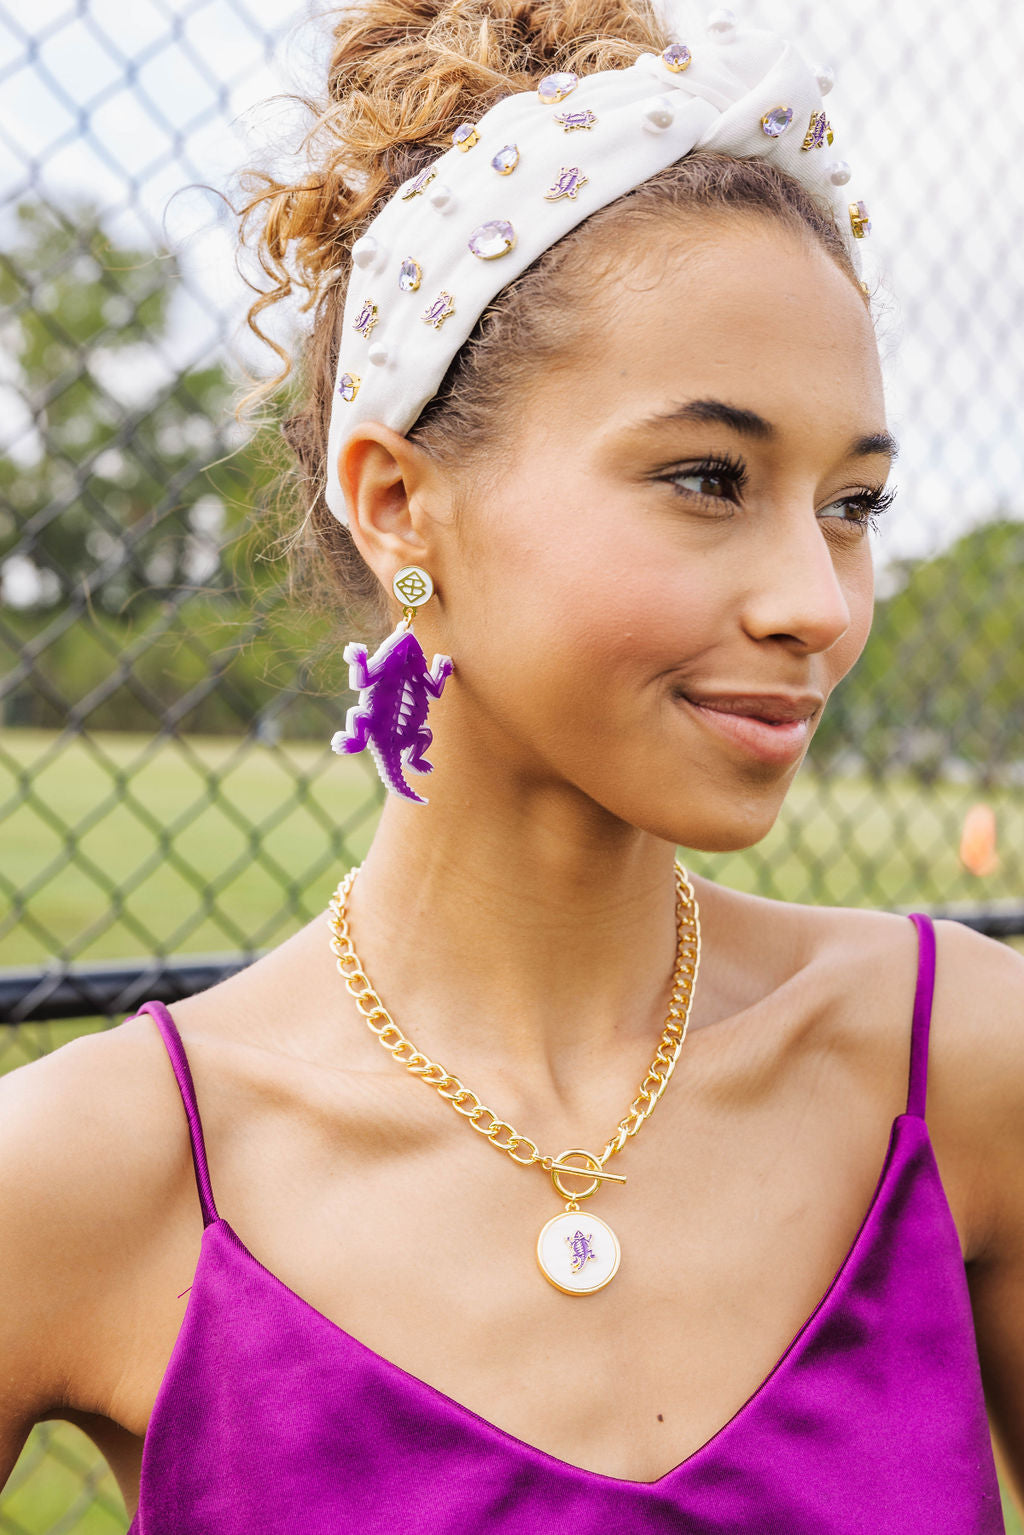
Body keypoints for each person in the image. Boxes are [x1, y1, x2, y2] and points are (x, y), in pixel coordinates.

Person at [2, 1, 1022, 1530]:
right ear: (399, 501)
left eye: (853, 504)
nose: (817, 602)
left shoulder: (961, 1067)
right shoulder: (100, 1173)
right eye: (707, 478)